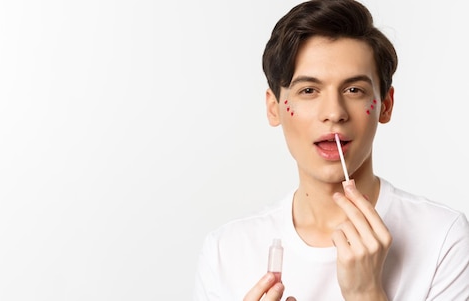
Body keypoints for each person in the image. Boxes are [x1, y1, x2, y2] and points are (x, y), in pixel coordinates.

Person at [192, 0, 469, 300]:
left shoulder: (443, 238)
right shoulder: (226, 250)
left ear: (385, 105)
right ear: (274, 109)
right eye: (309, 90)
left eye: (354, 90)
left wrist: (366, 292)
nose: (334, 112)